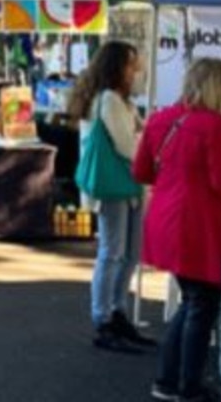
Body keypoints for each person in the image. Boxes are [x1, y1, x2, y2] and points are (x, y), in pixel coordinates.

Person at [134, 58, 221, 402]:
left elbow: (142, 171)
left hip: (165, 217)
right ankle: (187, 384)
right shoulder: (215, 126)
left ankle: (169, 379)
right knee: (201, 304)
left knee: (191, 302)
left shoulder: (160, 119)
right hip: (197, 223)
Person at [66, 40, 151, 352]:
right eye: (131, 64)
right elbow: (127, 146)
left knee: (125, 254)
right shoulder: (111, 101)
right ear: (117, 66)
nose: (137, 70)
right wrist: (148, 146)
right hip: (118, 185)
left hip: (124, 185)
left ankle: (116, 313)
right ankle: (105, 317)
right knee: (114, 253)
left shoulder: (118, 100)